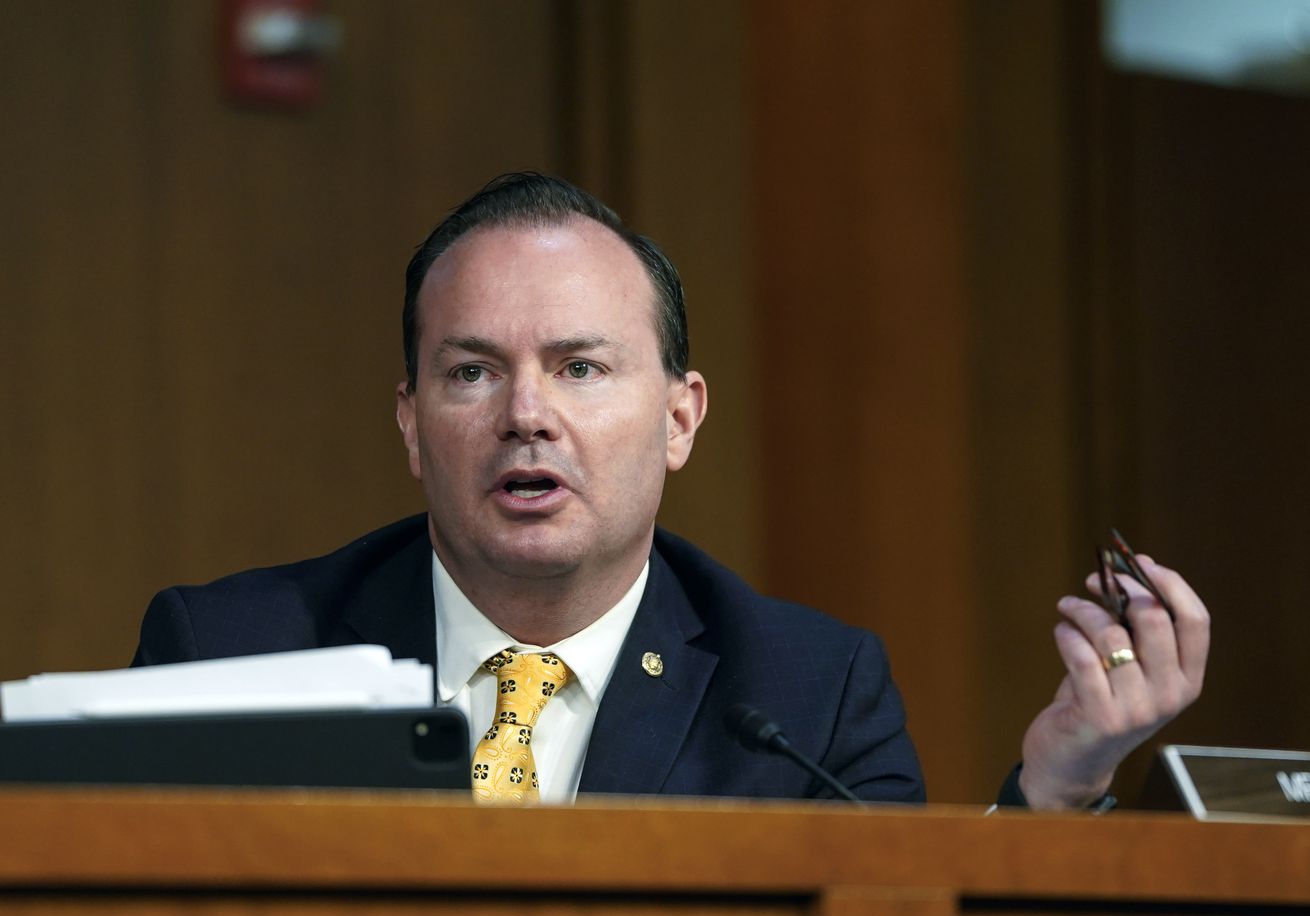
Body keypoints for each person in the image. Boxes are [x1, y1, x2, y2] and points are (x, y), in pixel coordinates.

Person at [133, 172, 1209, 808]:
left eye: (580, 366)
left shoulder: (803, 695)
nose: (525, 413)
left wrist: (1055, 783)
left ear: (680, 415)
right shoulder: (233, 657)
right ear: (412, 423)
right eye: (470, 371)